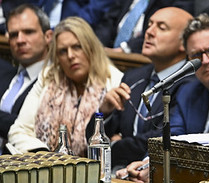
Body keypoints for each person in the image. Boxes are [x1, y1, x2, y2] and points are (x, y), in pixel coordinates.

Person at [7, 16, 123, 155]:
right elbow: (18, 130)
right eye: (63, 51)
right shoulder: (49, 77)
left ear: (91, 48)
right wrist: (44, 155)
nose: (70, 56)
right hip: (44, 166)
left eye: (77, 47)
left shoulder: (114, 81)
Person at [95, 7, 193, 169]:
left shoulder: (191, 84)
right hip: (113, 169)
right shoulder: (133, 77)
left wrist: (114, 145)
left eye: (161, 28)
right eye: (149, 25)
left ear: (185, 43)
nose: (149, 32)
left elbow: (162, 139)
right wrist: (104, 113)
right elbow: (94, 141)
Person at [0, 5, 52, 144]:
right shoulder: (5, 74)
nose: (20, 40)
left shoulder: (55, 80)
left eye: (28, 32)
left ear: (48, 36)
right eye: (13, 35)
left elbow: (31, 127)